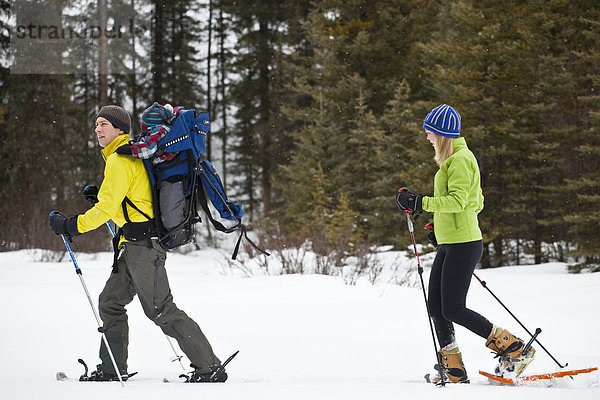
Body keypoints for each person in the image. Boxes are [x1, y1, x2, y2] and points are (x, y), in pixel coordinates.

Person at [49, 105, 226, 382]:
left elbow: (108, 209)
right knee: (110, 302)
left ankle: (209, 366)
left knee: (160, 309)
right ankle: (112, 369)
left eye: (104, 124)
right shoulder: (123, 158)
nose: (98, 129)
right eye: (96, 124)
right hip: (131, 246)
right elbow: (132, 199)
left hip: (144, 247)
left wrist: (71, 225)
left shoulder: (121, 160)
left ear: (120, 129)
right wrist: (100, 198)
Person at [395, 104, 535, 384]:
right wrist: (440, 227)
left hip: (464, 244)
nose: (427, 137)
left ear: (442, 133)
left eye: (429, 132)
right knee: (436, 306)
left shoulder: (461, 159)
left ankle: (513, 347)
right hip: (452, 243)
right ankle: (454, 369)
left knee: (453, 308)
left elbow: (459, 201)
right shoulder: (452, 160)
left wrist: (420, 202)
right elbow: (476, 201)